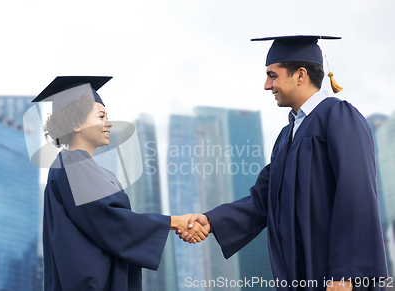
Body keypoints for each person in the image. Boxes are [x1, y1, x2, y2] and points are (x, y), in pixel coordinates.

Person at [178, 36, 388, 291]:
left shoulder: (339, 116)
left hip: (334, 276)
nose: (267, 85)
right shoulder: (287, 135)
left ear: (300, 75)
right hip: (297, 274)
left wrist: (347, 274)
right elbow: (263, 199)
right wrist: (211, 221)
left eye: (273, 75)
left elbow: (357, 194)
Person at [32, 76, 209, 291]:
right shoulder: (69, 162)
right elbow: (108, 218)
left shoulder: (97, 171)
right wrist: (173, 222)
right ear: (76, 122)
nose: (108, 123)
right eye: (101, 116)